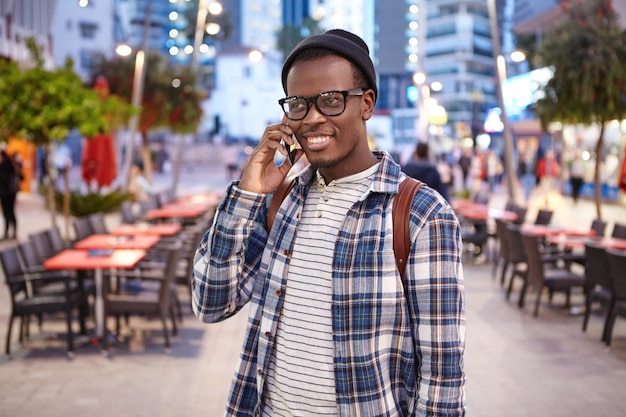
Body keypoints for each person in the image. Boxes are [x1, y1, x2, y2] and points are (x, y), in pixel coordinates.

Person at [192, 29, 466, 416]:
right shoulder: (282, 200)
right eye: (299, 105)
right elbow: (210, 303)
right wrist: (248, 195)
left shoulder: (420, 213)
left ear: (366, 103)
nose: (313, 118)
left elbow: (442, 380)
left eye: (331, 100)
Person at [0, 149, 19, 239]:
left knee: (8, 212)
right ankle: (12, 232)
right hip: (10, 192)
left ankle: (9, 232)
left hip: (6, 192)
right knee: (10, 212)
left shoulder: (4, 166)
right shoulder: (11, 165)